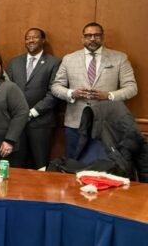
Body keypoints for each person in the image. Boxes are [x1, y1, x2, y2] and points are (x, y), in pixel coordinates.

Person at [51, 22, 137, 159]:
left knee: (102, 168)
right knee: (73, 165)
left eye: (96, 35)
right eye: (88, 35)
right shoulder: (69, 59)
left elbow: (132, 88)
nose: (92, 38)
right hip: (75, 124)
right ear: (82, 38)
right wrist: (71, 93)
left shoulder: (119, 58)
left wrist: (109, 95)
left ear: (103, 37)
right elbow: (56, 87)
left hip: (106, 125)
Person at [6, 28, 61, 169]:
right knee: (16, 164)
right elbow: (7, 89)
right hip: (16, 123)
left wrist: (32, 112)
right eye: (28, 38)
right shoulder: (14, 62)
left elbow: (53, 92)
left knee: (40, 164)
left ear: (43, 40)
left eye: (35, 37)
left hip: (41, 122)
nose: (31, 40)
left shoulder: (54, 62)